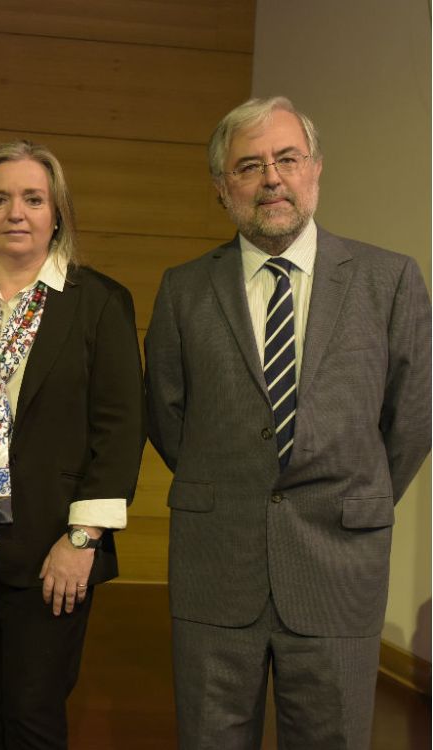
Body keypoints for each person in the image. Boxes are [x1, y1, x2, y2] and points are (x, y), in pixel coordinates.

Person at [145, 96, 432, 749]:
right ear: (223, 188)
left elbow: (412, 417)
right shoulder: (182, 290)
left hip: (339, 563)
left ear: (316, 171)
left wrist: (359, 492)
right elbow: (169, 417)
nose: (271, 178)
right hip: (216, 566)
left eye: (286, 159)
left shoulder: (388, 282)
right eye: (249, 166)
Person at [0, 140, 146, 749]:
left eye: (32, 198)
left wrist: (82, 541)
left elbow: (121, 430)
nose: (15, 212)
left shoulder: (98, 302)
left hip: (52, 552)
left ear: (56, 213)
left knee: (32, 718)